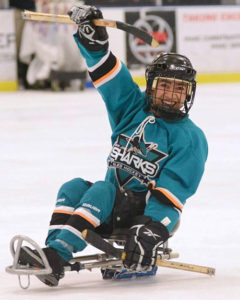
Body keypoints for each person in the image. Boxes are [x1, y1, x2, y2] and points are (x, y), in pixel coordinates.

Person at [18, 5, 208, 287]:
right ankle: (51, 256)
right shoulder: (133, 107)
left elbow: (172, 196)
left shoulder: (191, 138)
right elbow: (111, 77)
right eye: (165, 86)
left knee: (102, 189)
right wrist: (94, 42)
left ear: (188, 93)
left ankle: (57, 254)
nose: (170, 95)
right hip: (108, 205)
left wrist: (152, 230)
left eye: (178, 89)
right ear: (152, 85)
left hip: (140, 217)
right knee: (72, 187)